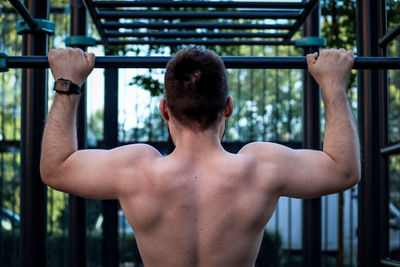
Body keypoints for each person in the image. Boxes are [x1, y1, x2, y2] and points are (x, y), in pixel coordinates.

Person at [41, 47, 360, 267]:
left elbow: (55, 167)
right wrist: (333, 85)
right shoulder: (259, 167)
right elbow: (343, 169)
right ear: (229, 107)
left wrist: (67, 84)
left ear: (164, 110)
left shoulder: (136, 170)